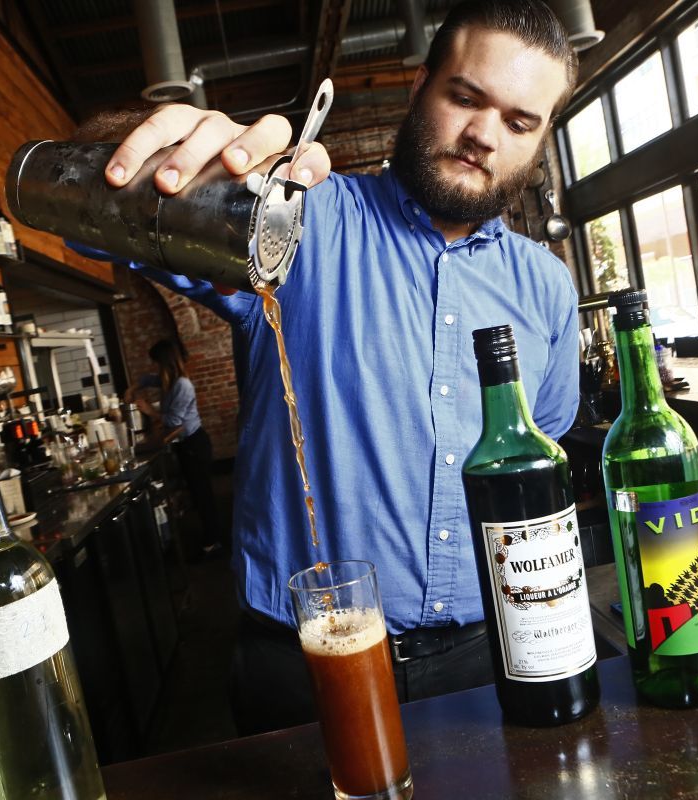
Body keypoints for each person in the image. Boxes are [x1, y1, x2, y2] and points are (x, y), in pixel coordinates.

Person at [71, 0, 580, 735]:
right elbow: (87, 197)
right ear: (420, 91)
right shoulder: (295, 219)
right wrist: (164, 146)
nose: (482, 135)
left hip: (490, 655)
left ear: (537, 143)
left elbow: (538, 457)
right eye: (465, 98)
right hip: (306, 666)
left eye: (518, 122)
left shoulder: (547, 287)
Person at [127, 339, 226, 558]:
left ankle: (214, 543)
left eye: (157, 365)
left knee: (203, 496)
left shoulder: (182, 385)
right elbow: (148, 379)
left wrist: (148, 410)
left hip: (194, 444)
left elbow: (173, 420)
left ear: (166, 363)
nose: (155, 369)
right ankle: (212, 538)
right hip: (186, 445)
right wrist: (134, 387)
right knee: (197, 493)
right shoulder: (169, 381)